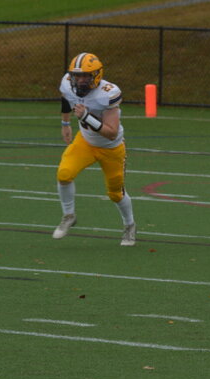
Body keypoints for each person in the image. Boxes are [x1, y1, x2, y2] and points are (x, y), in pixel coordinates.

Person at [54, 52, 136, 246]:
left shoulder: (107, 93)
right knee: (64, 174)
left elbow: (111, 133)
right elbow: (66, 97)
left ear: (96, 75)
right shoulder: (67, 83)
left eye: (85, 76)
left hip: (111, 148)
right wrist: (65, 124)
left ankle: (129, 225)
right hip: (85, 142)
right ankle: (69, 215)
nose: (80, 80)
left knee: (115, 193)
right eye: (77, 76)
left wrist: (86, 117)